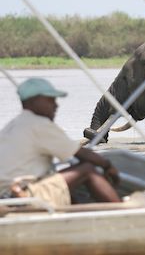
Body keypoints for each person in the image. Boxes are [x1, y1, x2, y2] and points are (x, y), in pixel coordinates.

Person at [0, 78, 121, 206]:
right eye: (50, 100)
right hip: (24, 195)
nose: (56, 105)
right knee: (87, 169)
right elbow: (81, 154)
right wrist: (108, 166)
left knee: (59, 179)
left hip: (6, 195)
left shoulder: (12, 125)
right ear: (33, 101)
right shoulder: (39, 124)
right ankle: (122, 212)